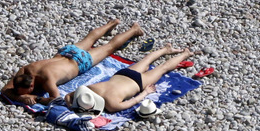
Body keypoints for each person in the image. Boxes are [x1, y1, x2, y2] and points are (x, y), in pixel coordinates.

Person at [1, 20, 143, 106]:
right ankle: (113, 23)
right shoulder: (25, 70)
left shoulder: (47, 80)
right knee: (90, 38)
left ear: (32, 86)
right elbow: (5, 90)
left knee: (110, 47)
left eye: (24, 92)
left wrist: (35, 98)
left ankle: (134, 30)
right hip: (66, 52)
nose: (19, 93)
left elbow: (56, 99)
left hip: (79, 61)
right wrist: (22, 96)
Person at [65, 44, 193, 114]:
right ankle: (166, 49)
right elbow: (68, 96)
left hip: (137, 82)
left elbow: (133, 101)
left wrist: (146, 92)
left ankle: (185, 53)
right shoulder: (90, 90)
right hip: (121, 74)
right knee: (146, 60)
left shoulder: (111, 105)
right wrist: (71, 106)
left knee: (163, 68)